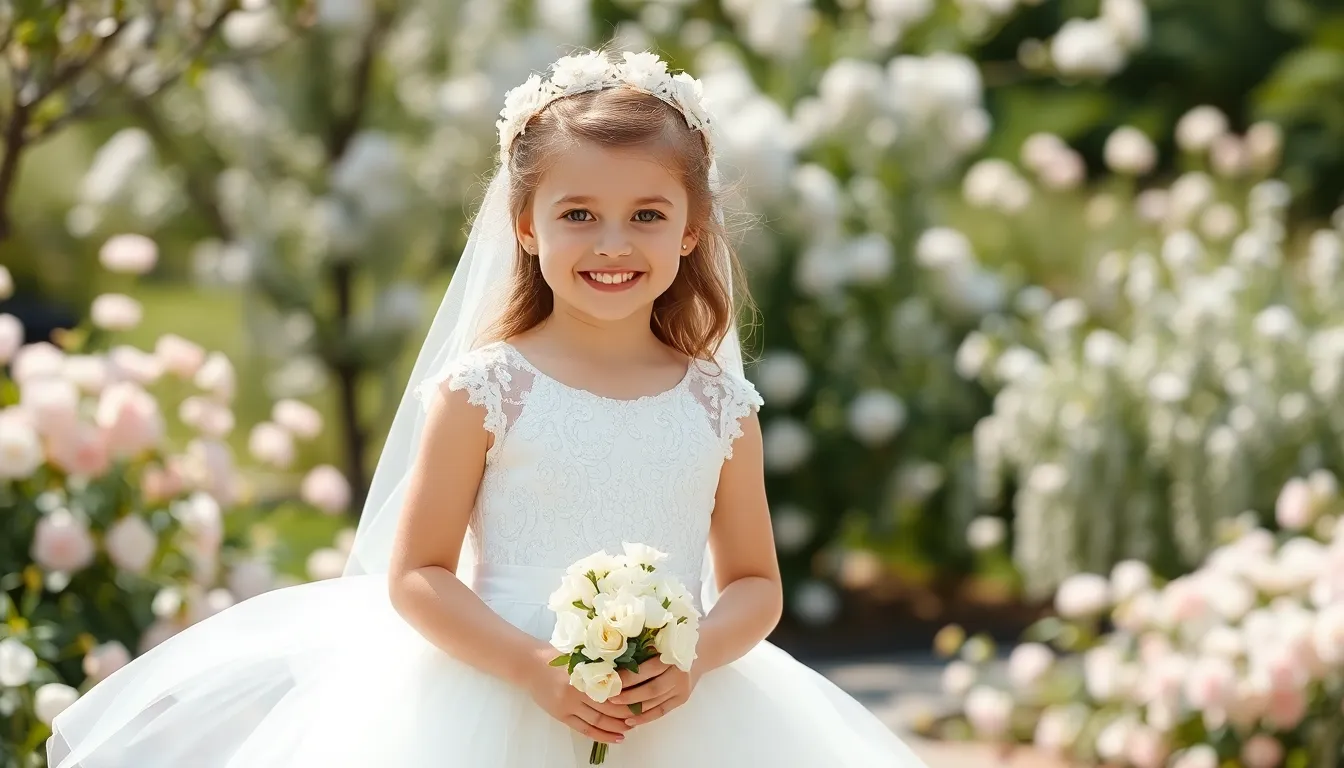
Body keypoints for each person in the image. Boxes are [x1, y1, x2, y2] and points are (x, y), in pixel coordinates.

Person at [47, 49, 930, 767]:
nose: (613, 244)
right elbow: (418, 573)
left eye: (647, 215)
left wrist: (690, 657)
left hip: (679, 710)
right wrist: (534, 666)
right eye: (578, 213)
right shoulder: (489, 387)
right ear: (526, 225)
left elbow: (754, 585)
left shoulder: (718, 403)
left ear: (691, 230)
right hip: (493, 691)